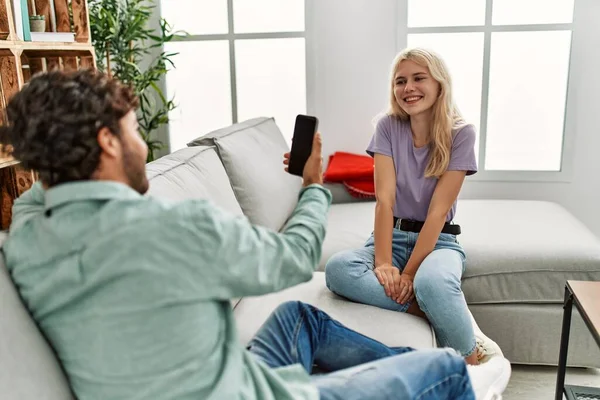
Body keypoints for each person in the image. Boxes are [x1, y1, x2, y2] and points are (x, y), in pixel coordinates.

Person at [0, 69, 510, 400]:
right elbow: (293, 257)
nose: (142, 144)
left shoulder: (26, 235)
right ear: (108, 141)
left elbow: (37, 201)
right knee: (443, 372)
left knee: (297, 319)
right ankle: (448, 374)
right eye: (133, 130)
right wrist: (313, 185)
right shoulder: (170, 225)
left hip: (224, 378)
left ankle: (394, 374)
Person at [325, 47, 503, 366]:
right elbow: (385, 201)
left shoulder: (462, 133)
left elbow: (437, 212)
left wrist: (407, 275)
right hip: (390, 237)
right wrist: (383, 264)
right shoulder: (387, 127)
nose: (408, 88)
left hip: (439, 242)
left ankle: (469, 359)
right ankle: (436, 311)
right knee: (339, 269)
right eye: (400, 81)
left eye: (419, 78)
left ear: (439, 84)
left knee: (431, 281)